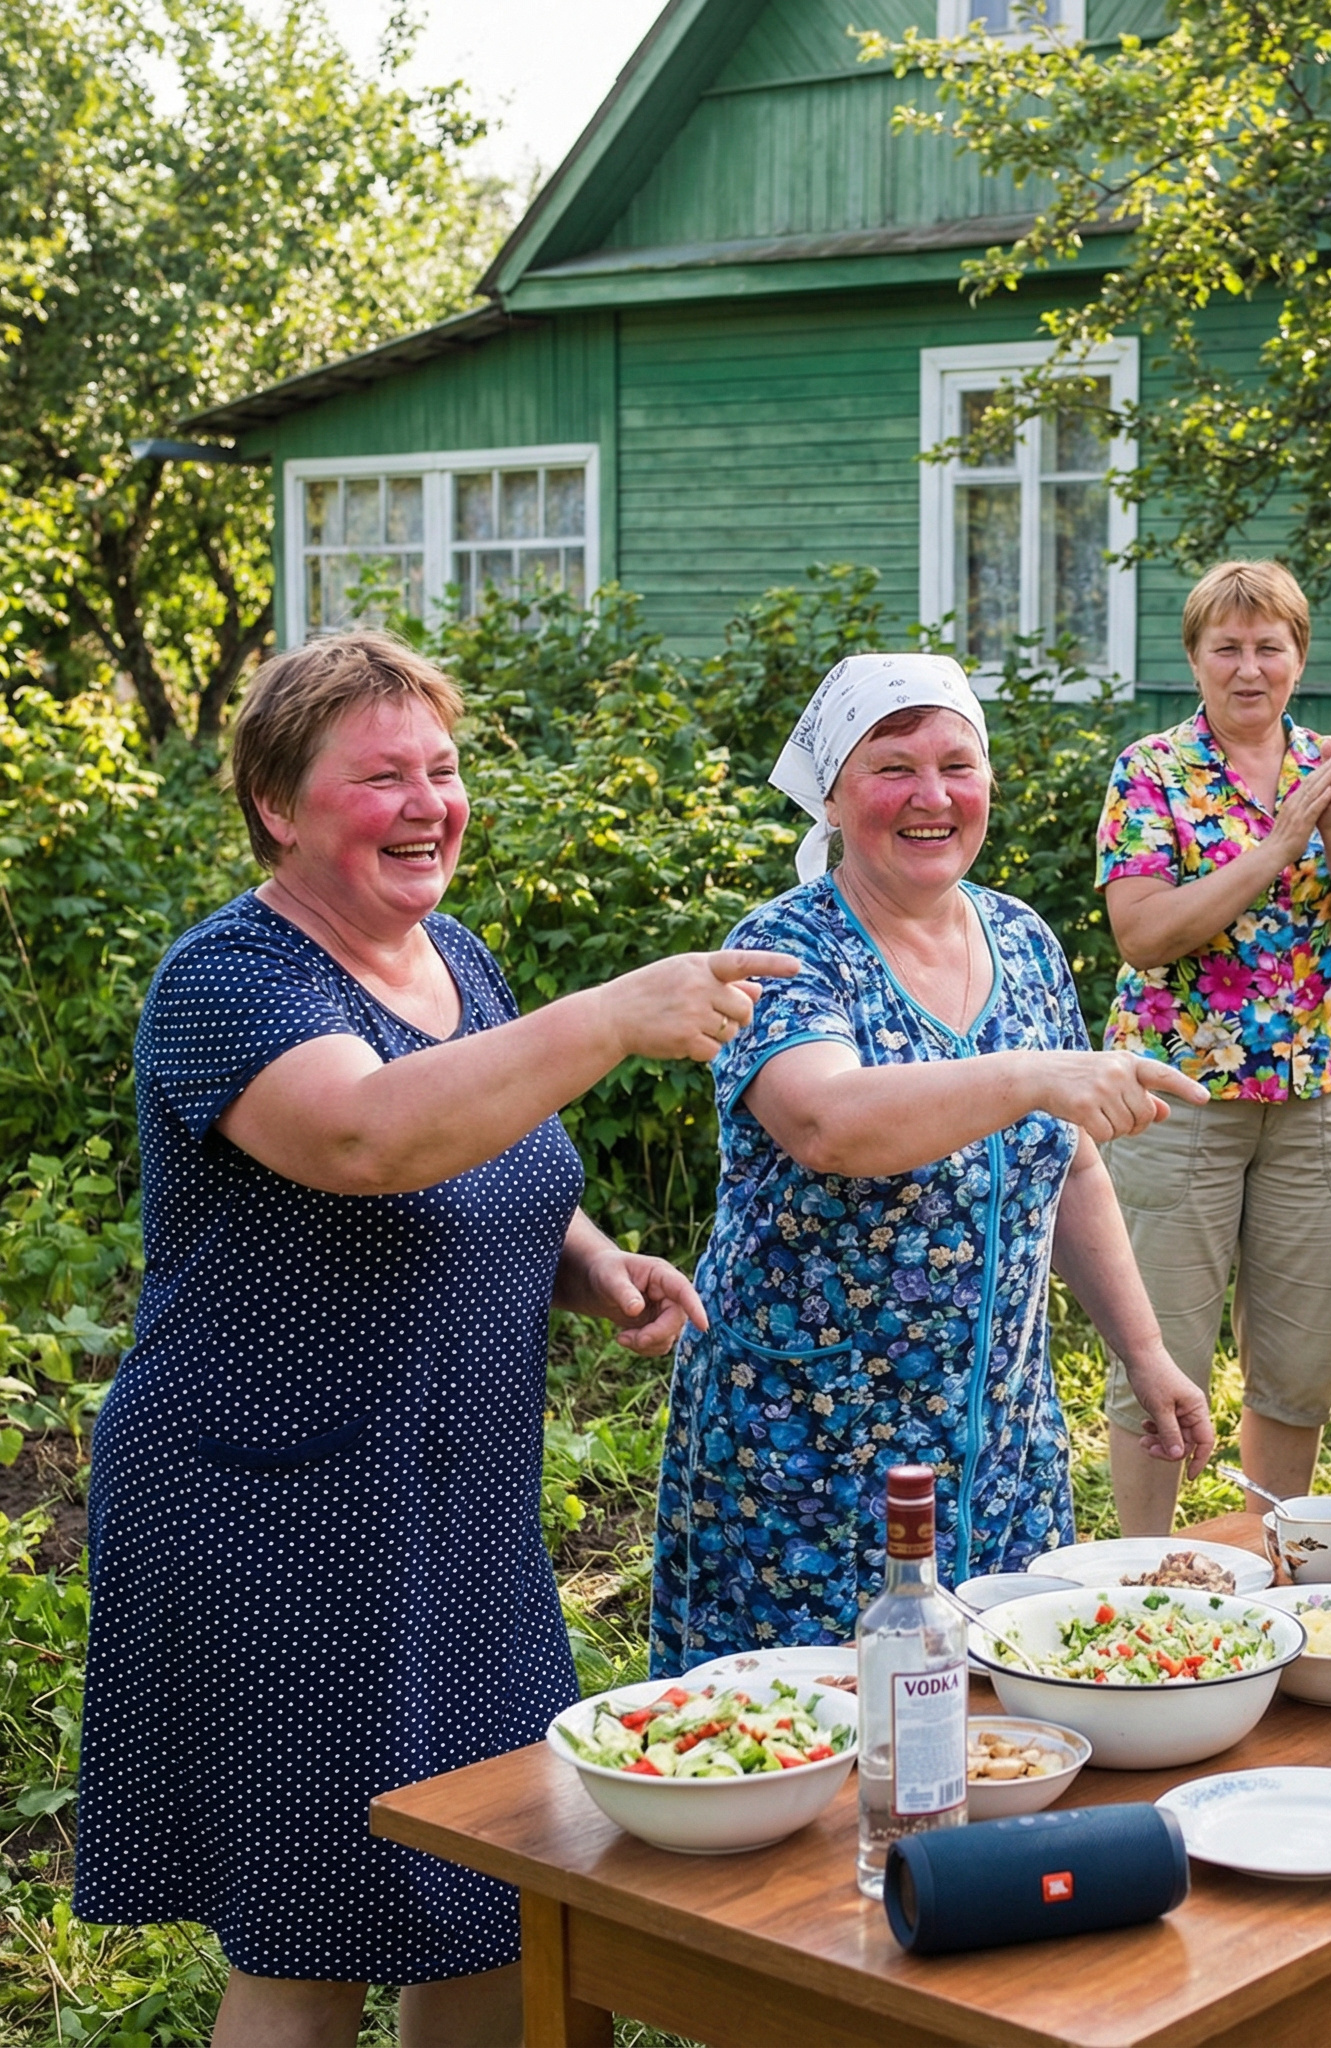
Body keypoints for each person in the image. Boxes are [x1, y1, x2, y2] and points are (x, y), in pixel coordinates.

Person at [73, 633, 797, 2048]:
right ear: (279, 806)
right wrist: (612, 1013)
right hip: (272, 1514)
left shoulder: (453, 956)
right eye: (381, 776)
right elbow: (366, 1135)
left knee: (500, 1889)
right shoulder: (230, 979)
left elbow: (498, 1136)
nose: (427, 802)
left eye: (444, 770)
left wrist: (588, 1262)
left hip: (457, 1509)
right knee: (314, 1929)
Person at [647, 652, 1217, 1665]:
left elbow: (1070, 1164)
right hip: (808, 1448)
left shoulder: (1022, 939)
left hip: (995, 1433)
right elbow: (826, 1120)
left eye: (957, 764)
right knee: (800, 1740)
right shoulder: (786, 946)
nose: (931, 795)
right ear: (830, 791)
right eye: (892, 766)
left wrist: (1142, 1350)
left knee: (1000, 1721)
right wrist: (1030, 1075)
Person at [1092, 560, 1331, 1534]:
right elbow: (1141, 931)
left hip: (1316, 1096)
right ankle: (1148, 1573)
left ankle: (1266, 1564)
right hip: (1176, 1097)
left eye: (1267, 646)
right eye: (1225, 647)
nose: (1247, 668)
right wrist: (1273, 850)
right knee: (1162, 1348)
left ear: (1297, 657)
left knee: (1298, 1359)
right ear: (1193, 658)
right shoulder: (1150, 771)